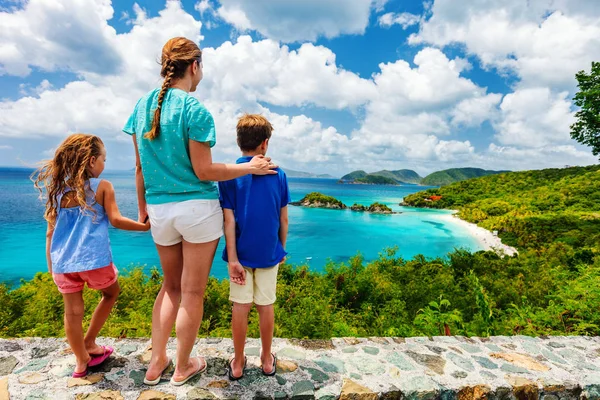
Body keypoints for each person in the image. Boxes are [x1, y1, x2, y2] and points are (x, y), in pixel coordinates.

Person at [123, 37, 277, 386]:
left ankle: (155, 363)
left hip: (160, 208)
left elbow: (138, 168)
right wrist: (249, 168)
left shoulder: (140, 107)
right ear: (194, 66)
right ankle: (182, 367)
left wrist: (143, 209)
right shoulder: (195, 111)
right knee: (192, 293)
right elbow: (205, 171)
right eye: (202, 66)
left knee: (170, 287)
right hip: (197, 211)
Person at [32, 133, 150, 378]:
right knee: (111, 293)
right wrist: (144, 226)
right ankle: (90, 341)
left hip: (63, 263)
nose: (105, 165)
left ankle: (81, 362)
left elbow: (49, 235)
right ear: (92, 160)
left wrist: (52, 268)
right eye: (104, 160)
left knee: (72, 313)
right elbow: (116, 220)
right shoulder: (102, 186)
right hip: (93, 260)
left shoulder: (57, 193)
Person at [218, 114, 290, 380]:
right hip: (268, 253)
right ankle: (266, 359)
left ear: (239, 143)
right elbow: (283, 218)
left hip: (240, 255)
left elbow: (228, 220)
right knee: (265, 305)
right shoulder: (278, 174)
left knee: (240, 306)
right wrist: (281, 248)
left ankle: (237, 362)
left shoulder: (228, 175)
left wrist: (233, 258)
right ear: (265, 143)